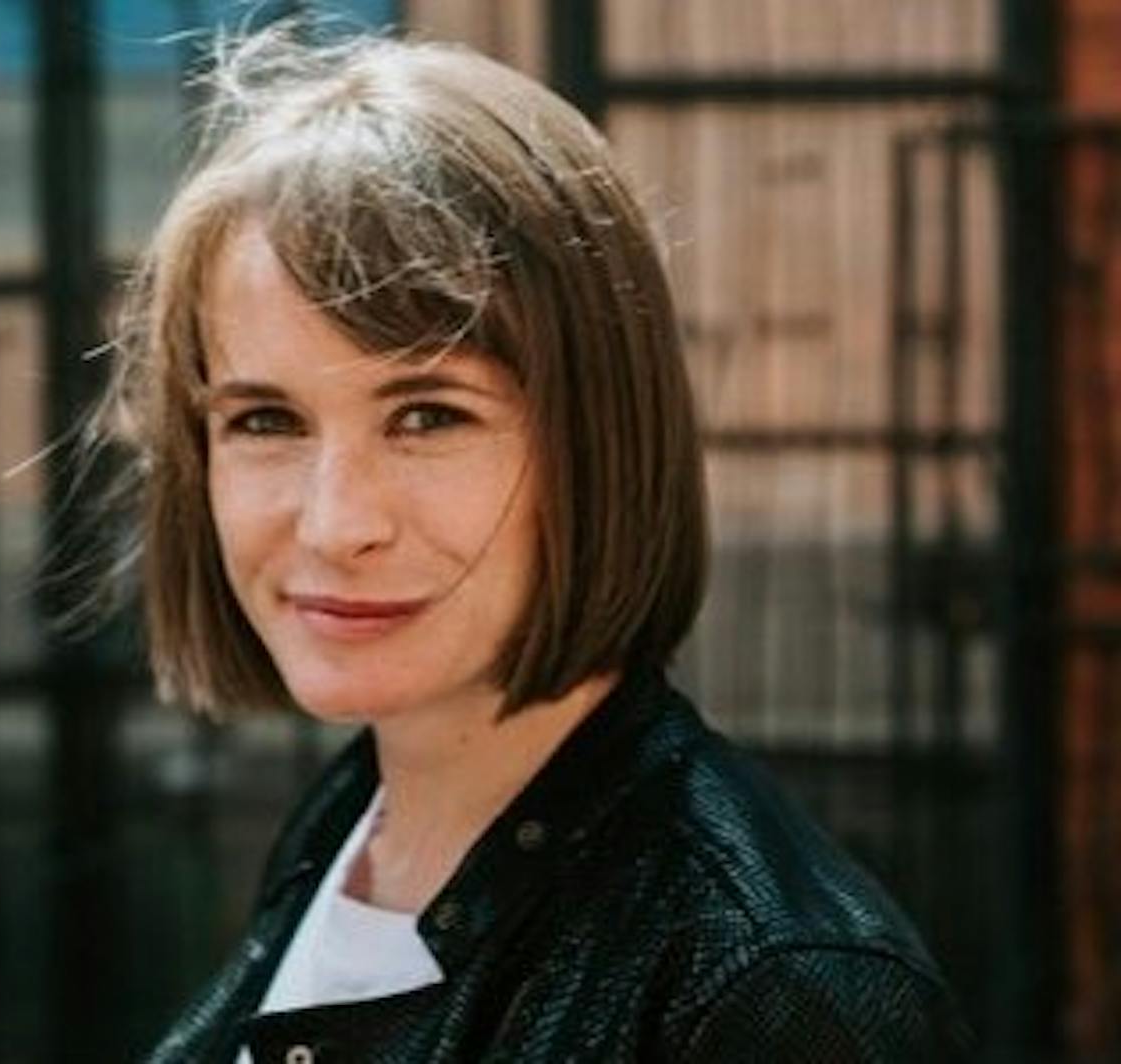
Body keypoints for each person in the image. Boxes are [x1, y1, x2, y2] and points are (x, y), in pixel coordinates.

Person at [107, 24, 976, 1063]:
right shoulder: (356, 824)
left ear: (596, 439)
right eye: (265, 420)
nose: (337, 522)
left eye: (427, 414)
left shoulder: (769, 987)